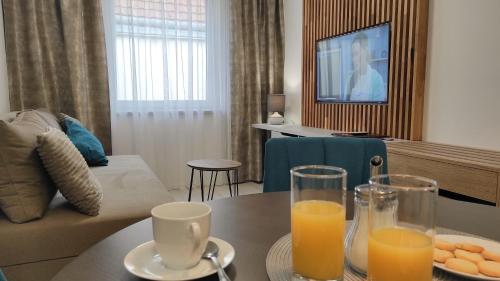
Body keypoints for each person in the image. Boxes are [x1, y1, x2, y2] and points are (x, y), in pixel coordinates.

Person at [345, 32, 386, 102]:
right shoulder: (349, 78)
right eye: (352, 55)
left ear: (366, 51)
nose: (354, 59)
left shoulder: (376, 79)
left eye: (356, 54)